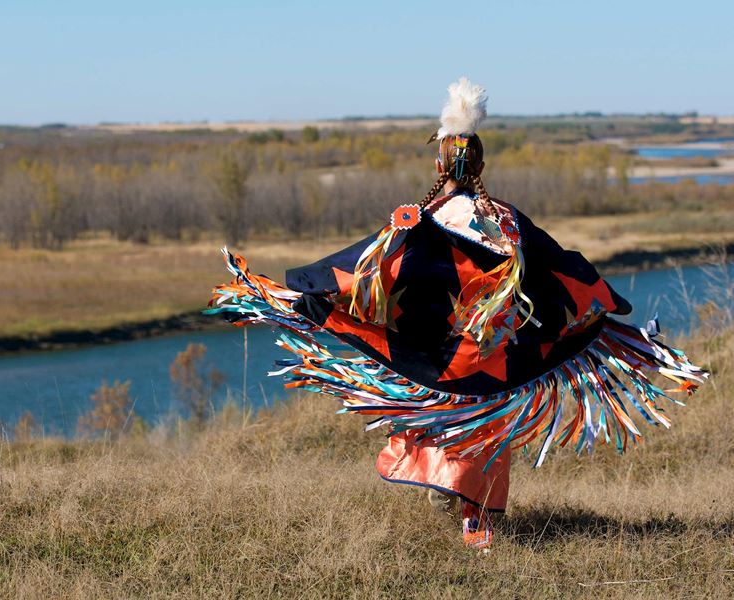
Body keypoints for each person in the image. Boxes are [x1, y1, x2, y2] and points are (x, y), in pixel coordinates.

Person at [207, 77, 708, 549]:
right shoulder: (507, 221)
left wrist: (309, 291)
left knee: (437, 414)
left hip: (437, 360)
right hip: (497, 362)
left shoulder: (419, 223)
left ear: (439, 165)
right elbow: (559, 270)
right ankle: (477, 517)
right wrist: (600, 307)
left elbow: (363, 274)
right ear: (481, 166)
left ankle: (451, 497)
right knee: (483, 425)